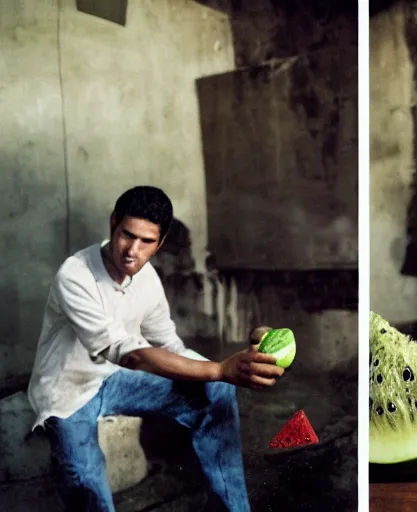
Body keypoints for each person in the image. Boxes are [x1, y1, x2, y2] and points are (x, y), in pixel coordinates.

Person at [27, 186, 283, 512]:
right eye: (127, 235)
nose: (132, 250)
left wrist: (234, 368)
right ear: (113, 223)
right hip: (67, 393)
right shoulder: (75, 274)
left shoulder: (146, 278)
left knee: (216, 390)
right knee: (88, 489)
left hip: (115, 379)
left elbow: (168, 343)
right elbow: (129, 353)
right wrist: (220, 368)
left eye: (146, 241)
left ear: (159, 243)